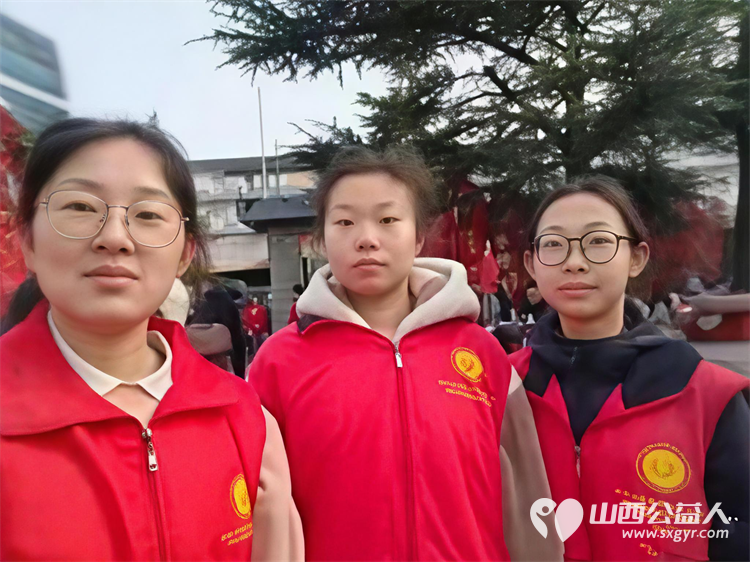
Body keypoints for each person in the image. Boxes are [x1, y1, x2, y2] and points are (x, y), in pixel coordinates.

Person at [0, 118, 302, 561]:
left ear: (184, 254)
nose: (114, 238)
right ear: (27, 239)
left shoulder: (243, 417)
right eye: (80, 206)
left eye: (147, 215)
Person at [248, 146, 554, 561]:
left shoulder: (481, 353)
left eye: (388, 220)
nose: (367, 239)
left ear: (419, 238)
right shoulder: (278, 362)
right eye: (345, 222)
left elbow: (526, 487)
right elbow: (260, 509)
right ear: (321, 239)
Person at [510, 175, 749, 561]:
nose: (574, 262)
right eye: (553, 244)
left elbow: (738, 528)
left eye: (598, 241)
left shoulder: (706, 392)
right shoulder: (503, 388)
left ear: (636, 258)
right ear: (531, 264)